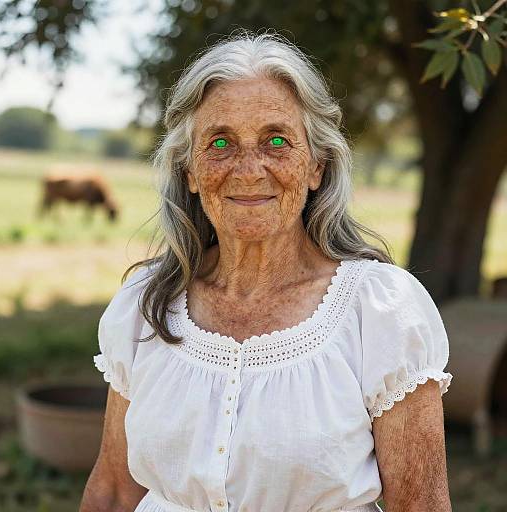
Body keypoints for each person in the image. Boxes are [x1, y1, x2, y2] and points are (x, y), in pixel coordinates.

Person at [80, 29, 453, 512]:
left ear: (316, 165)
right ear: (190, 170)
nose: (250, 169)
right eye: (220, 143)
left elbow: (421, 505)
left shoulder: (380, 311)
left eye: (277, 141)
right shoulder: (146, 302)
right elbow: (112, 490)